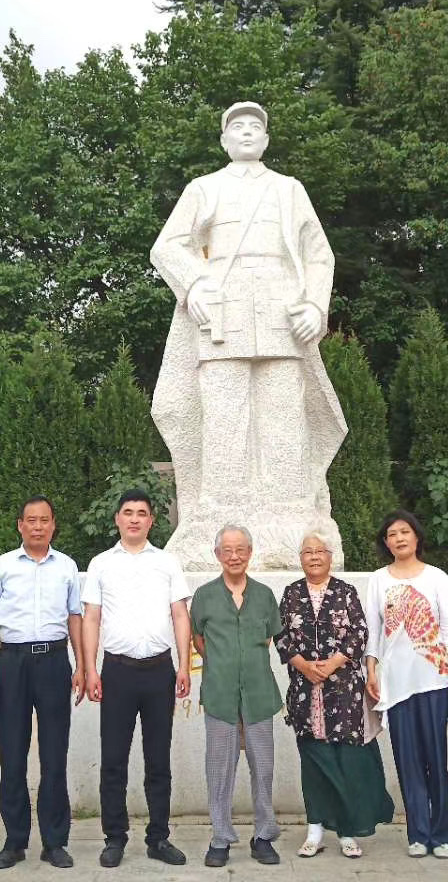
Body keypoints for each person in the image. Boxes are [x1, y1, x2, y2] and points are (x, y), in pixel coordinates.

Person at [149, 101, 348, 571]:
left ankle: (290, 513)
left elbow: (318, 254)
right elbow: (167, 246)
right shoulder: (203, 188)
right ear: (223, 140)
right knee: (223, 417)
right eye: (236, 126)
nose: (245, 132)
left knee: (284, 416)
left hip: (281, 313)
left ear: (266, 139)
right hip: (222, 313)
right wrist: (194, 284)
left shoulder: (289, 189)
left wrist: (315, 305)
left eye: (254, 126)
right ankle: (220, 516)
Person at [82, 489, 193, 868]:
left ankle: (158, 837)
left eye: (141, 513)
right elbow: (91, 618)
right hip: (117, 672)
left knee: (158, 760)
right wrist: (90, 668)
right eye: (127, 512)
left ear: (150, 521)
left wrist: (183, 665)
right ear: (117, 518)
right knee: (113, 759)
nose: (134, 518)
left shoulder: (167, 562)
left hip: (160, 672)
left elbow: (180, 614)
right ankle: (114, 838)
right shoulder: (101, 564)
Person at [0, 496, 86, 870]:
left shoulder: (67, 566)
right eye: (31, 520)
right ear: (20, 525)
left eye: (44, 520)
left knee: (54, 755)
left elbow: (75, 618)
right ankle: (14, 840)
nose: (38, 526)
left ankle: (54, 841)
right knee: (12, 753)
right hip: (13, 662)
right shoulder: (3, 566)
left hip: (54, 661)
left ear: (53, 525)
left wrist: (82, 665)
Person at [275, 529, 395, 860]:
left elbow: (359, 633)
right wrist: (303, 665)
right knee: (314, 764)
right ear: (301, 559)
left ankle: (346, 831)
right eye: (307, 552)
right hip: (305, 693)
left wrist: (332, 664)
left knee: (345, 763)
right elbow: (281, 636)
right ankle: (314, 829)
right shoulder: (291, 593)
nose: (314, 556)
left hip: (343, 693)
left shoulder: (345, 591)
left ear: (330, 557)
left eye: (320, 551)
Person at [365, 510, 448, 860]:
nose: (399, 538)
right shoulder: (378, 580)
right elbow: (373, 630)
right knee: (408, 762)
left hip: (434, 680)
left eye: (405, 531)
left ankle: (445, 834)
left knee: (438, 760)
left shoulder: (437, 578)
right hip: (396, 683)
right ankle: (418, 834)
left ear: (416, 536)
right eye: (392, 534)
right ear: (386, 542)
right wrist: (371, 669)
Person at [189, 524, 282, 867]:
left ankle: (263, 836)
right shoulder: (204, 595)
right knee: (219, 769)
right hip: (220, 694)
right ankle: (220, 838)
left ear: (250, 552)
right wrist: (224, 662)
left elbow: (268, 637)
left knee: (263, 768)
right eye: (227, 550)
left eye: (240, 549)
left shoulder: (264, 595)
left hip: (259, 693)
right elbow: (199, 639)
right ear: (217, 554)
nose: (234, 556)